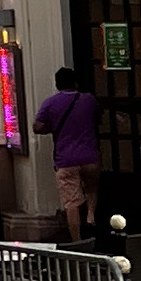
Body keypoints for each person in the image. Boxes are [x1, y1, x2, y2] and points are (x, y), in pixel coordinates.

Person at [35, 64, 102, 237]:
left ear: (57, 85)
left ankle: (77, 239)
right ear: (75, 83)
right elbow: (97, 118)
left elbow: (37, 127)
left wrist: (54, 127)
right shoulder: (89, 100)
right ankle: (90, 216)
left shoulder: (50, 103)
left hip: (65, 159)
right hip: (89, 156)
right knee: (92, 187)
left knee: (71, 202)